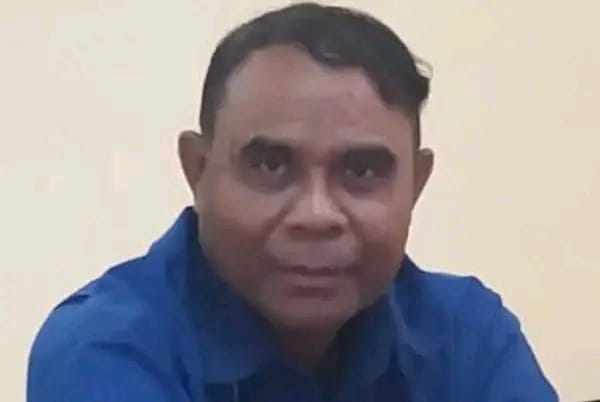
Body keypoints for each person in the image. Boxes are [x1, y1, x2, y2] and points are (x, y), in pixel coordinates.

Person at [27, 3, 558, 401]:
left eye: (362, 171)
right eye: (270, 166)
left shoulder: (466, 335)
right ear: (198, 170)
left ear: (415, 185)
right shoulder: (104, 349)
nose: (316, 214)